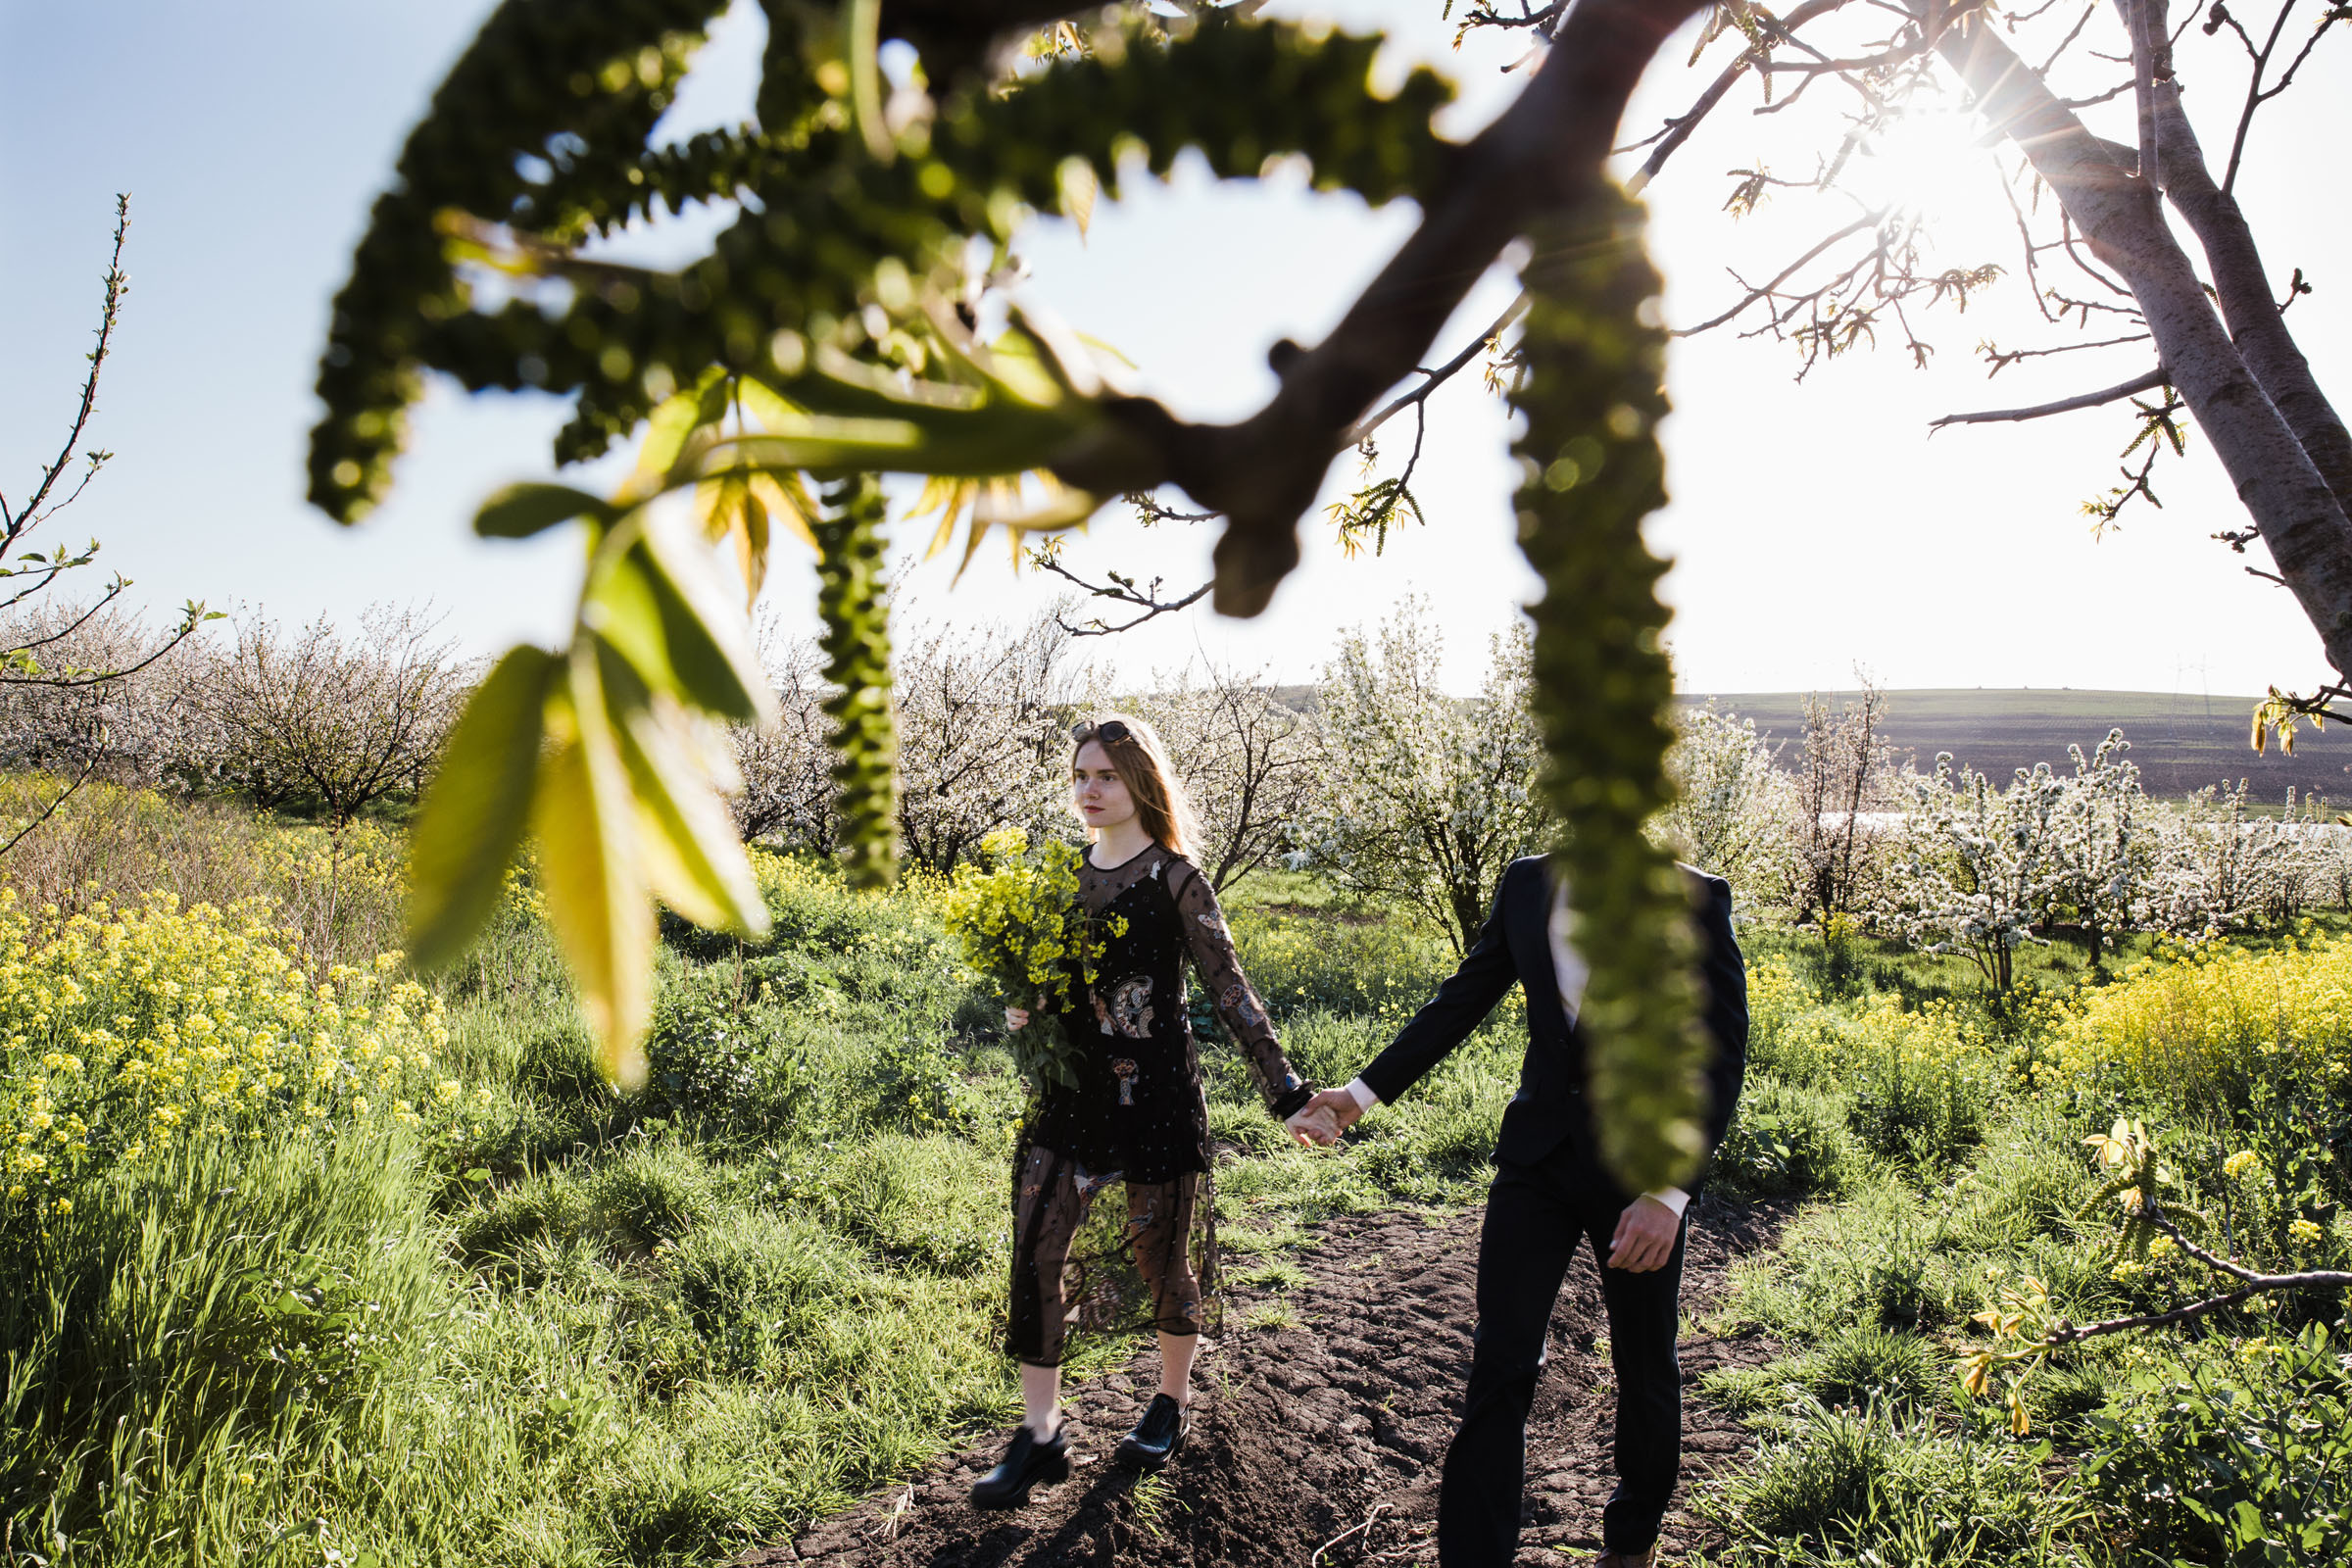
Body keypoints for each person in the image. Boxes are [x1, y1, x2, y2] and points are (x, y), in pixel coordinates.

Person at [1295, 856, 1747, 1568]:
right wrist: (1359, 1095)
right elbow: (1461, 1000)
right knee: (1500, 1362)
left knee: (1644, 1361)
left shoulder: (1693, 896)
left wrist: (1669, 1195)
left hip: (1641, 1173)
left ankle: (1631, 1543)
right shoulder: (1528, 884)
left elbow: (1721, 1055)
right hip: (1535, 1161)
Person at [971, 713, 1332, 1509]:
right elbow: (1049, 982)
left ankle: (1169, 1401)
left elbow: (1229, 991)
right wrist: (1026, 1010)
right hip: (1068, 1101)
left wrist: (1292, 1096)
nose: (1088, 791)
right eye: (1079, 776)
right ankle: (1040, 1436)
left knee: (1161, 1259)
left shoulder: (1176, 879)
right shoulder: (1058, 877)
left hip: (1155, 1099)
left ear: (1139, 783)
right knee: (1036, 1249)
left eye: (1104, 776)